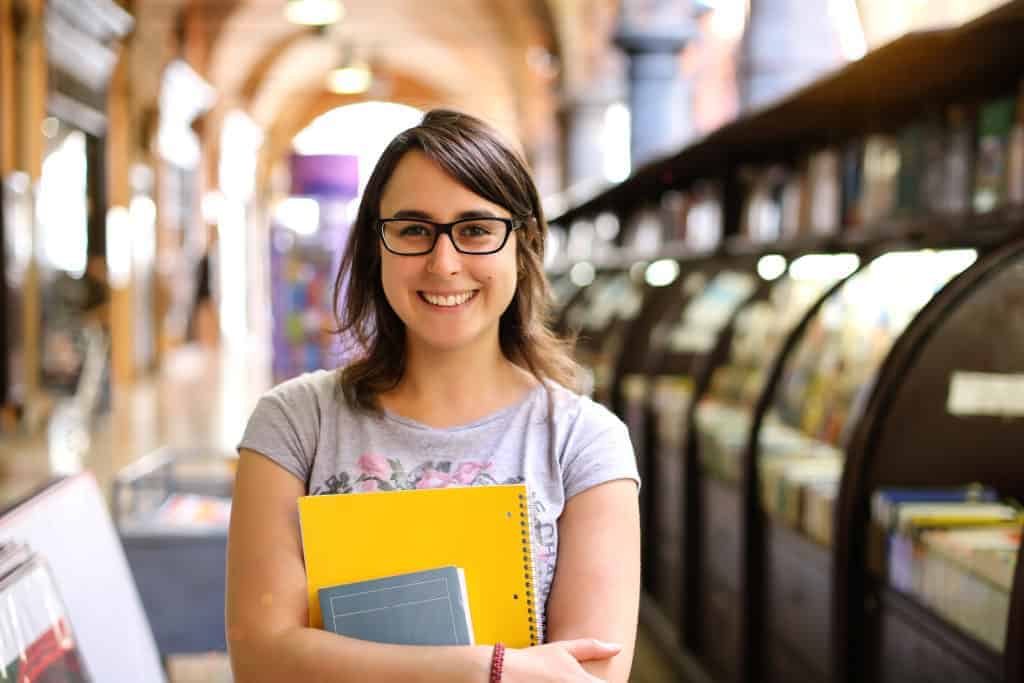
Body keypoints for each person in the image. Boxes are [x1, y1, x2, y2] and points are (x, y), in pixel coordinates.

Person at [227, 109, 641, 682]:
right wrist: (493, 670)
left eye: (474, 229)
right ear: (377, 247)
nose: (443, 263)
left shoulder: (585, 443)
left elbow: (591, 677)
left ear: (522, 247)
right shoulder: (294, 424)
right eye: (414, 230)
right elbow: (262, 661)